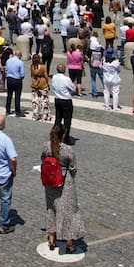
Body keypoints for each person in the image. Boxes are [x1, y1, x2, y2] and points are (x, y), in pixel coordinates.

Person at [42, 124, 84, 254]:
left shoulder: (46, 146)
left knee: (51, 208)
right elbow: (73, 168)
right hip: (65, 182)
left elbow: (43, 159)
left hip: (50, 182)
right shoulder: (68, 149)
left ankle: (51, 239)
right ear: (63, 134)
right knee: (68, 211)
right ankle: (69, 243)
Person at [50, 63, 76, 140]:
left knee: (58, 119)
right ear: (64, 70)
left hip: (57, 99)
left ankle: (55, 135)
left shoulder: (54, 77)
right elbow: (73, 89)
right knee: (67, 120)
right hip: (66, 100)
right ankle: (65, 137)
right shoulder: (66, 79)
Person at [2, 47, 25, 117]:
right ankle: (17, 111)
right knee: (17, 96)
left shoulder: (8, 61)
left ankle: (7, 110)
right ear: (19, 55)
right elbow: (22, 74)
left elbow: (6, 70)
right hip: (17, 79)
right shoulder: (20, 62)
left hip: (9, 79)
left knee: (9, 95)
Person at [29, 54, 51, 121]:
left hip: (35, 84)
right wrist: (48, 83)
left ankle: (35, 115)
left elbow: (31, 75)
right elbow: (46, 76)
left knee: (35, 101)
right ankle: (45, 116)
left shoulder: (32, 66)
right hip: (43, 83)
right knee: (44, 100)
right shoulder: (43, 66)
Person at [101, 47, 122, 111]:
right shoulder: (116, 63)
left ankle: (107, 106)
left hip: (106, 79)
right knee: (115, 93)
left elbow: (100, 67)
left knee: (106, 92)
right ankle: (115, 107)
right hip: (114, 79)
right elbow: (119, 70)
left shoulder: (103, 62)